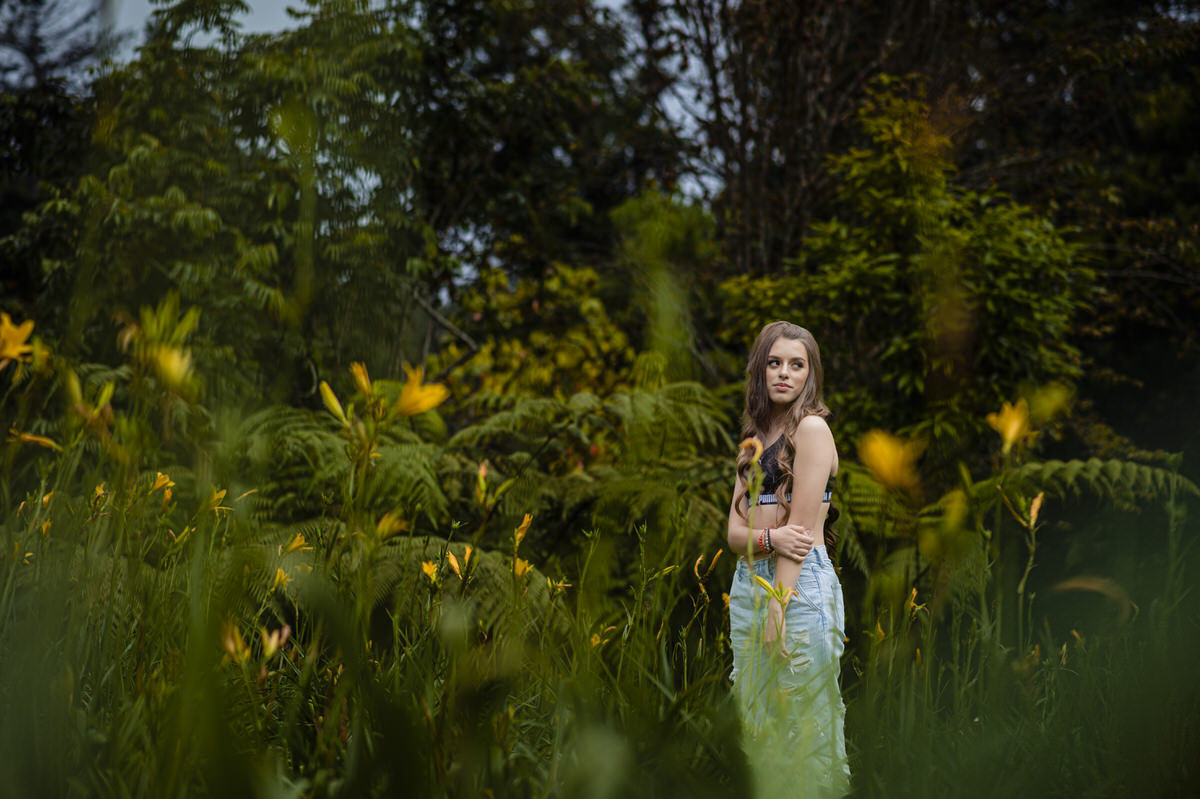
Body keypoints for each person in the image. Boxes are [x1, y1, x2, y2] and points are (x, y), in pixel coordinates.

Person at [726, 321, 849, 798]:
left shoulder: (812, 430)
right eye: (774, 363)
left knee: (807, 721)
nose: (784, 373)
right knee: (757, 722)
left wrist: (778, 602)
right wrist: (770, 540)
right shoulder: (752, 439)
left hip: (797, 588)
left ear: (809, 374)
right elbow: (734, 535)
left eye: (796, 365)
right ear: (760, 371)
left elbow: (798, 536)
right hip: (747, 584)